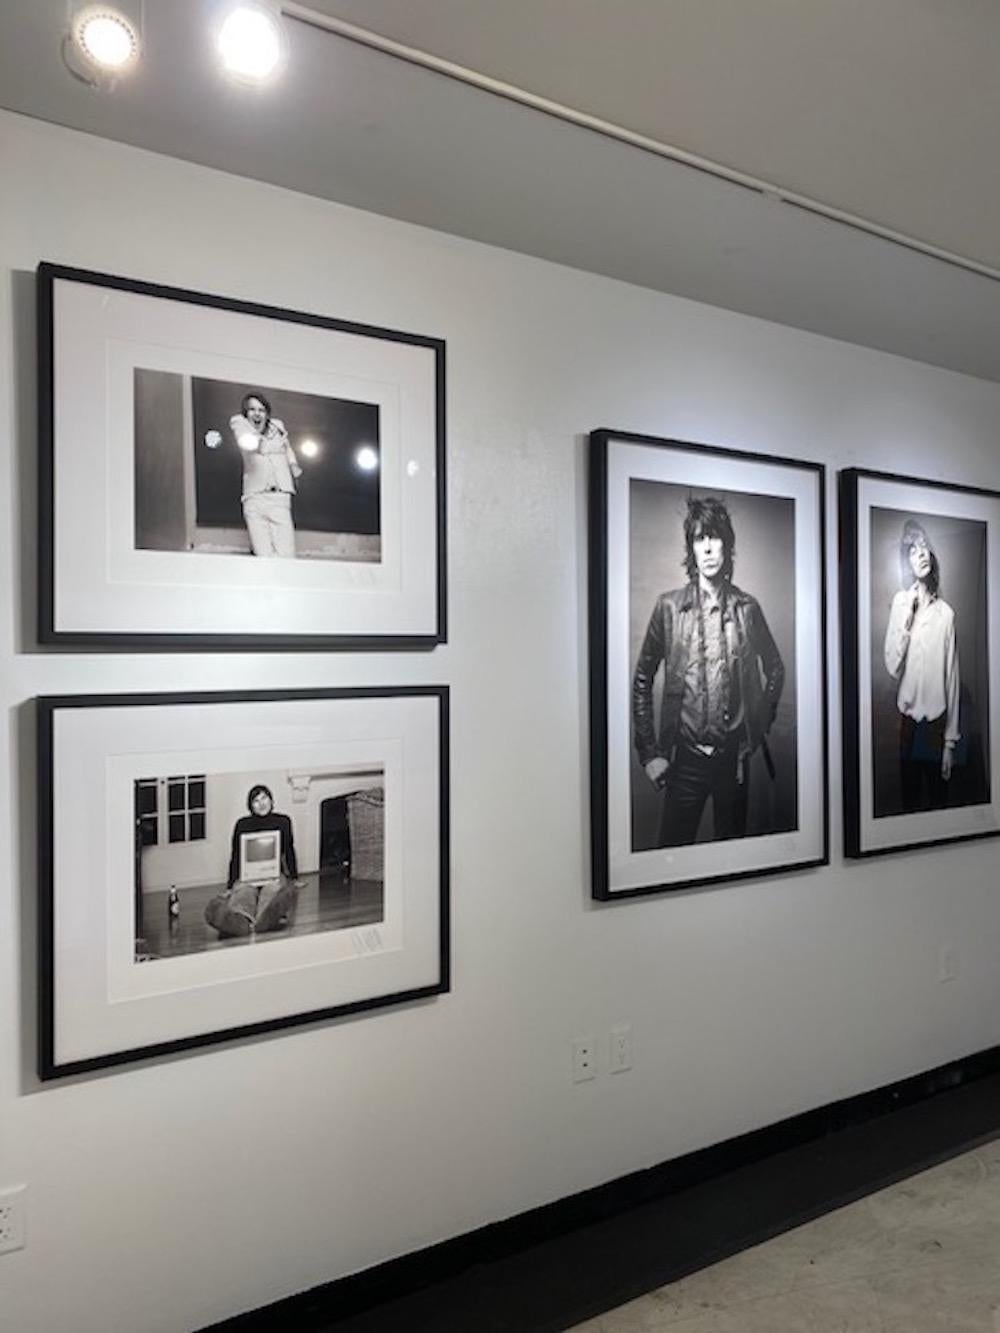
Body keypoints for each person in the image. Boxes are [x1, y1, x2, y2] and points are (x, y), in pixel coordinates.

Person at [632, 496, 785, 847]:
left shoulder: (747, 609)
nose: (708, 548)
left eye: (715, 537)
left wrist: (758, 723)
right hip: (684, 762)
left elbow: (775, 669)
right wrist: (650, 753)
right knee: (670, 859)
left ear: (727, 545)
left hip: (733, 763)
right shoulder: (668, 608)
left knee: (731, 863)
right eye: (700, 539)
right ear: (691, 548)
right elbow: (642, 679)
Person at [883, 518, 959, 812]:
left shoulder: (946, 614)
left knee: (940, 805)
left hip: (937, 728)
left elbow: (952, 681)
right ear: (907, 562)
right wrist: (908, 617)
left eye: (925, 547)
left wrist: (950, 744)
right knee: (909, 806)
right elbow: (892, 665)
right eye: (913, 550)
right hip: (907, 725)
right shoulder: (901, 602)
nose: (922, 554)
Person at [204, 784, 305, 938]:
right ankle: (241, 921)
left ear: (271, 800)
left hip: (273, 873)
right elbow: (236, 855)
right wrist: (230, 886)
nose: (262, 803)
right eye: (256, 800)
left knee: (272, 890)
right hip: (247, 874)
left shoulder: (283, 821)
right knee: (243, 892)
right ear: (251, 806)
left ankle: (264, 918)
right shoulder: (242, 824)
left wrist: (295, 877)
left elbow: (289, 850)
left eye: (264, 798)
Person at [228, 392, 302, 557]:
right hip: (255, 498)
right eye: (252, 409)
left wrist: (293, 464)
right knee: (264, 558)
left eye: (261, 410)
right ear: (245, 413)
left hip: (280, 497)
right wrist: (277, 446)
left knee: (287, 556)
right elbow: (252, 444)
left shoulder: (278, 426)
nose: (256, 413)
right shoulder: (239, 423)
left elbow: (288, 448)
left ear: (267, 412)